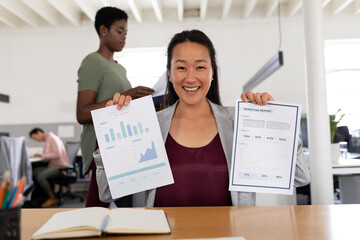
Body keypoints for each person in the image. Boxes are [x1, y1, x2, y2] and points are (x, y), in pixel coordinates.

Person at [95, 30, 311, 207]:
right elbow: (106, 192)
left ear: (212, 72)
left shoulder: (239, 122)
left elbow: (300, 177)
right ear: (169, 74)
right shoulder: (148, 125)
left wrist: (277, 123)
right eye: (181, 67)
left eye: (200, 67)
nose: (190, 77)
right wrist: (112, 134)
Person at [76, 7, 154, 207]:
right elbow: (83, 112)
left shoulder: (119, 67)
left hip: (120, 141)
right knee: (106, 203)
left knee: (118, 202)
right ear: (103, 30)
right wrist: (127, 95)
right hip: (102, 143)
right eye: (120, 31)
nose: (124, 37)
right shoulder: (93, 62)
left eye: (126, 32)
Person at [29, 128, 69, 207]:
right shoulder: (47, 140)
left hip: (60, 166)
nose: (36, 140)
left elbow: (57, 154)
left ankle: (52, 198)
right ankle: (41, 195)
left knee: (40, 177)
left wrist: (42, 155)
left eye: (35, 137)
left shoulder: (52, 138)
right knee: (35, 171)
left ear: (39, 132)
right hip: (53, 164)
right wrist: (42, 155)